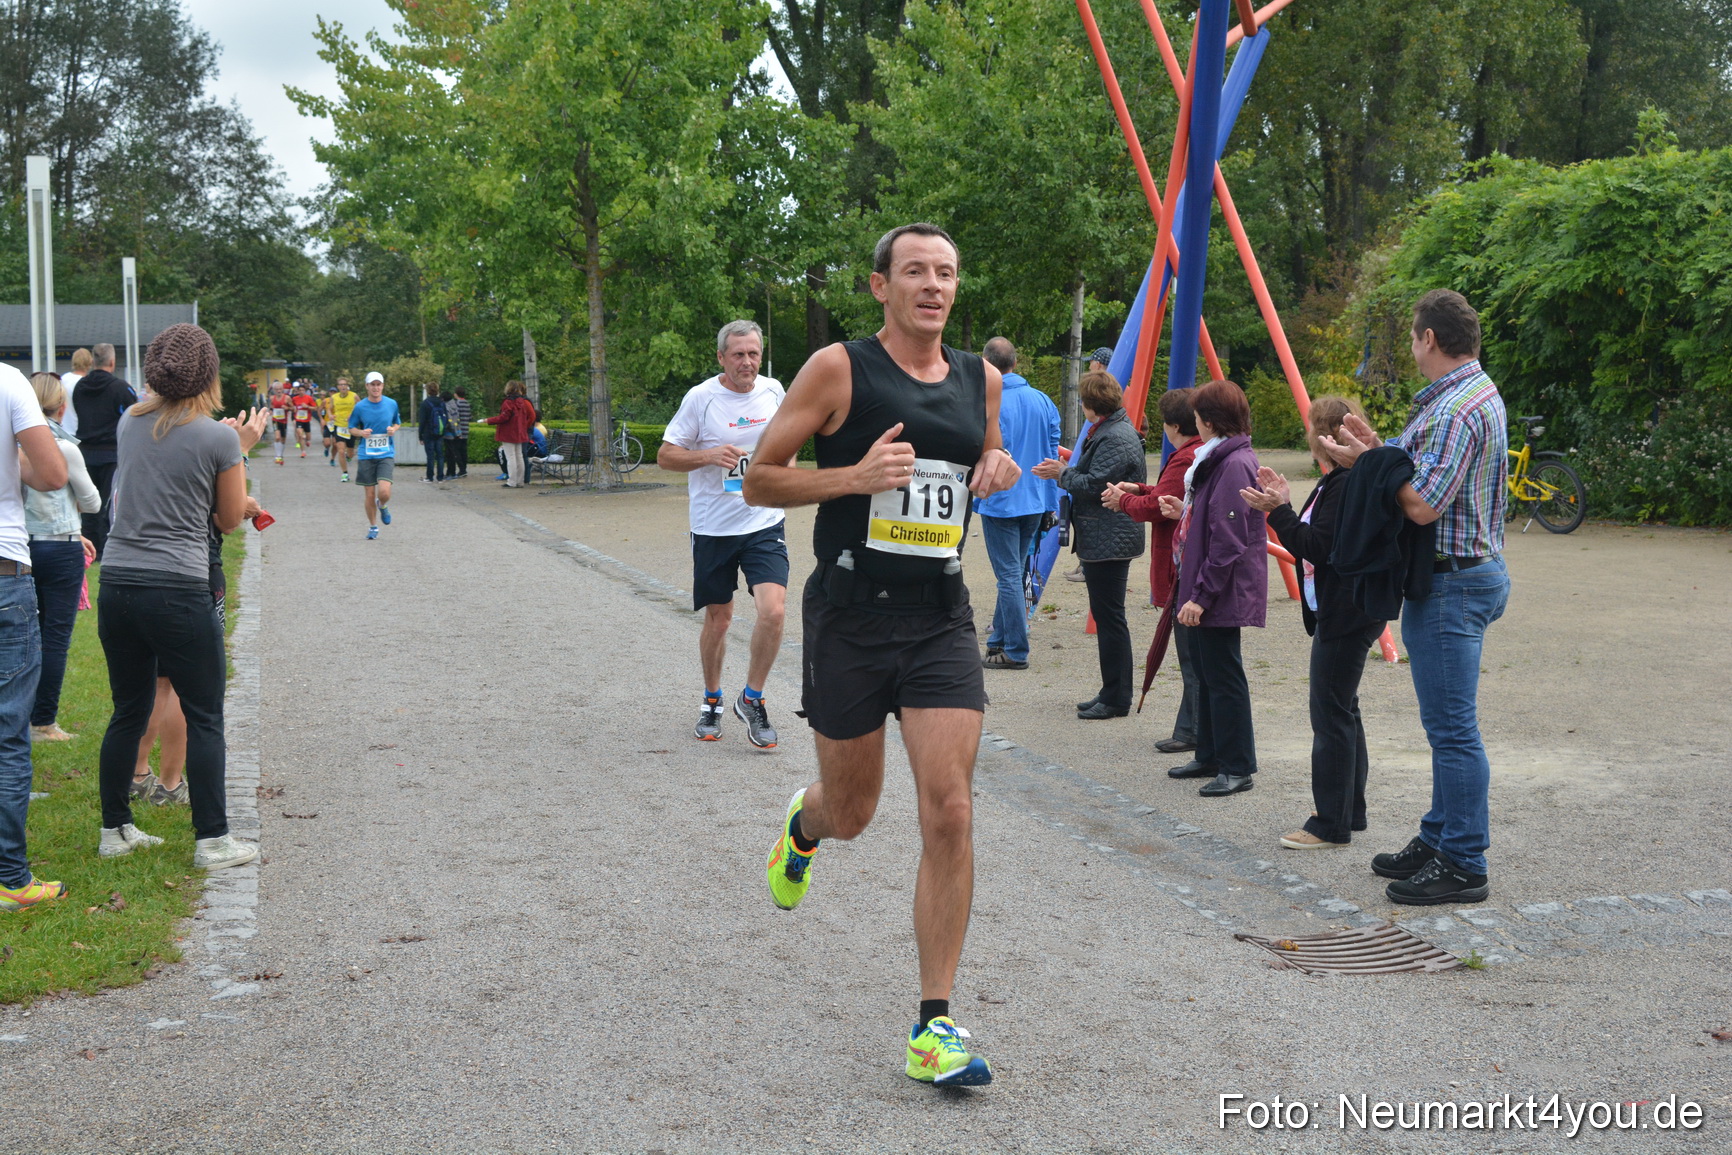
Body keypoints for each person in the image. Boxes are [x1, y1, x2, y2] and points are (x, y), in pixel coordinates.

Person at [742, 223, 1019, 1087]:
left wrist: (1001, 466)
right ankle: (805, 822)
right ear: (879, 287)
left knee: (950, 810)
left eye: (946, 271)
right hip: (850, 617)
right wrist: (852, 479)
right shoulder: (838, 368)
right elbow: (759, 477)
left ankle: (934, 1025)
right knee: (855, 811)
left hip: (938, 617)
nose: (932, 285)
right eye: (914, 272)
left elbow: (985, 459)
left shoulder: (986, 378)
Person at [1319, 289, 1509, 905]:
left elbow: (1424, 502)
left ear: (1429, 338)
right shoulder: (1469, 394)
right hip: (1458, 573)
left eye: (1411, 336)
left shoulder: (1456, 408)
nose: (1410, 346)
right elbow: (1420, 476)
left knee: (1452, 730)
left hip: (1453, 581)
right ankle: (1439, 836)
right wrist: (1375, 457)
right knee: (1445, 727)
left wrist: (1376, 465)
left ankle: (1464, 861)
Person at [93, 324, 263, 871]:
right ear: (209, 375)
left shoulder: (129, 421)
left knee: (128, 708)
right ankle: (213, 840)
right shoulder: (217, 437)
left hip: (119, 582)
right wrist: (242, 453)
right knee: (205, 713)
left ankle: (115, 828)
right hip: (177, 586)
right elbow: (230, 520)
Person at [1240, 396, 1388, 849]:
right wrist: (1282, 505)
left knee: (1329, 714)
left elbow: (1316, 546)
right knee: (1344, 709)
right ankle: (1350, 810)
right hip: (1349, 607)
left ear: (1322, 436)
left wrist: (1278, 510)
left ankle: (1330, 822)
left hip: (1346, 611)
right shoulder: (1342, 480)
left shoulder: (1344, 484)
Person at [657, 320, 788, 747]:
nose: (746, 362)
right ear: (721, 358)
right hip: (713, 526)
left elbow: (787, 440)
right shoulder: (700, 398)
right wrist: (709, 455)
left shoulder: (774, 391)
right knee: (720, 618)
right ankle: (712, 699)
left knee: (774, 610)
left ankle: (752, 698)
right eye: (737, 355)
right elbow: (665, 456)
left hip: (763, 520)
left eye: (753, 354)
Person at [1155, 379, 1267, 797]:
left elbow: (1230, 540)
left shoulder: (1234, 463)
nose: (1195, 423)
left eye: (1199, 416)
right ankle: (1211, 754)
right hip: (1207, 582)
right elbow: (1216, 522)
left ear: (1209, 420)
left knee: (1223, 676)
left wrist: (1201, 596)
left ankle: (1237, 765)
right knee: (1207, 672)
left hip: (1220, 589)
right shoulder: (1221, 458)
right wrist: (1185, 511)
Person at [1033, 370, 1146, 717]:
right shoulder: (1111, 431)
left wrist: (1062, 474)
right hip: (1106, 535)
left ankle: (1116, 697)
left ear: (1090, 404)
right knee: (1108, 616)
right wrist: (1068, 470)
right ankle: (1111, 691)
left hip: (1110, 535)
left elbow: (1097, 485)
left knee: (1111, 618)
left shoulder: (1115, 436)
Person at [0, 363, 70, 912]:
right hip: (3, 571)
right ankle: (10, 878)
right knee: (7, 733)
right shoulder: (8, 381)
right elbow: (51, 474)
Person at [1103, 387, 1203, 755]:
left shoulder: (1185, 457)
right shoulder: (1190, 455)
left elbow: (1161, 505)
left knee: (1190, 655)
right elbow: (1166, 495)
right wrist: (1140, 489)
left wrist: (1124, 499)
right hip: (1182, 560)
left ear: (1175, 425)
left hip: (1179, 564)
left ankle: (1193, 729)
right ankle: (1191, 727)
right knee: (1190, 653)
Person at [973, 337, 1060, 671]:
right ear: (1015, 363)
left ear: (986, 363)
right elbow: (1052, 451)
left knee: (1008, 575)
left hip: (1002, 499)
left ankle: (1016, 649)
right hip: (1036, 498)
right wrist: (1051, 501)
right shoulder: (1042, 399)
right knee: (1014, 570)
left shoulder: (987, 402)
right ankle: (1000, 640)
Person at [24, 373, 100, 743]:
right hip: (59, 545)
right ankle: (43, 720)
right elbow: (93, 501)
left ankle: (19, 713)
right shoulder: (65, 448)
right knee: (55, 638)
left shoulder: (13, 445)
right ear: (62, 405)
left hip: (21, 546)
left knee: (24, 635)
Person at [70, 342, 137, 559]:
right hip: (111, 453)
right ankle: (107, 548)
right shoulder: (121, 388)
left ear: (93, 361)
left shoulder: (80, 387)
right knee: (110, 504)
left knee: (88, 501)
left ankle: (91, 547)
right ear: (112, 361)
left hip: (86, 452)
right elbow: (133, 416)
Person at [348, 371, 401, 538]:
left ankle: (382, 505)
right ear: (367, 386)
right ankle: (373, 526)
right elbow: (352, 428)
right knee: (369, 493)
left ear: (383, 386)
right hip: (366, 455)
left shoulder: (391, 403)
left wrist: (393, 429)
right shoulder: (360, 407)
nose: (376, 387)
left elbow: (397, 422)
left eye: (378, 384)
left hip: (386, 453)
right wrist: (361, 432)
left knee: (384, 492)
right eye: (373, 385)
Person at [476, 381, 536, 488]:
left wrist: (488, 420)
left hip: (508, 432)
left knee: (511, 457)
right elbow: (531, 416)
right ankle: (520, 481)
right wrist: (524, 427)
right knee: (519, 456)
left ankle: (512, 481)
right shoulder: (523, 402)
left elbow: (504, 417)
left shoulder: (508, 402)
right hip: (520, 432)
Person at [329, 377, 360, 482]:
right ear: (338, 387)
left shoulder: (354, 396)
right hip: (339, 426)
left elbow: (361, 407)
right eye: (340, 385)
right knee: (341, 451)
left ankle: (349, 456)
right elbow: (329, 409)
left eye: (344, 384)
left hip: (351, 427)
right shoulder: (334, 397)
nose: (343, 386)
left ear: (347, 386)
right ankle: (345, 473)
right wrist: (330, 415)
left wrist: (353, 415)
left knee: (350, 452)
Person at [419, 382, 448, 483]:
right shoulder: (442, 402)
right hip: (440, 432)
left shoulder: (425, 403)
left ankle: (430, 477)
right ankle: (440, 477)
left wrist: (420, 436)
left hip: (428, 433)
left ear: (427, 391)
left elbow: (422, 421)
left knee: (430, 456)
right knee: (440, 455)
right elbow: (446, 418)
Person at [60, 347, 92, 437]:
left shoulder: (64, 378)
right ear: (90, 362)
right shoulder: (87, 383)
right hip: (80, 430)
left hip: (64, 430)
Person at [447, 387, 472, 478]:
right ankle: (464, 469)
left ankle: (462, 469)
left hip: (459, 430)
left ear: (456, 394)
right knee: (463, 451)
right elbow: (469, 417)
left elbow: (455, 417)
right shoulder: (467, 403)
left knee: (456, 451)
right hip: (466, 429)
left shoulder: (457, 404)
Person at [292, 381, 317, 458]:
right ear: (298, 391)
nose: (301, 392)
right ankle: (303, 451)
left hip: (307, 420)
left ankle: (307, 441)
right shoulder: (295, 398)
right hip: (299, 419)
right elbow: (292, 406)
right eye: (300, 390)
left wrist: (307, 407)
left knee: (308, 437)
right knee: (300, 435)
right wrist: (293, 408)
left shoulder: (309, 398)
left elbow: (315, 408)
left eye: (303, 390)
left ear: (305, 391)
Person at [440, 390, 460, 479]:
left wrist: (451, 431)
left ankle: (450, 473)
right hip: (457, 432)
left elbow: (449, 420)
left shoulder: (447, 406)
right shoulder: (455, 404)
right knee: (453, 453)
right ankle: (453, 472)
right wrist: (457, 432)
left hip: (449, 434)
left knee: (449, 454)